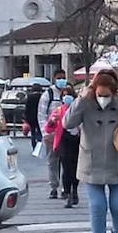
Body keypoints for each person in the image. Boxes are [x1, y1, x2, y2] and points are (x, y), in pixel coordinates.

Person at [63, 69, 118, 233]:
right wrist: (81, 101)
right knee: (98, 206)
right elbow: (67, 123)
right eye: (99, 94)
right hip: (92, 162)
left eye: (107, 95)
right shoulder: (85, 101)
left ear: (114, 91)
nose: (103, 99)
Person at [38, 70, 69, 198]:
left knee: (66, 162)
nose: (62, 80)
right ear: (54, 79)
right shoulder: (48, 94)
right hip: (52, 134)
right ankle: (54, 187)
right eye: (59, 78)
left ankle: (65, 187)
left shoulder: (68, 94)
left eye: (63, 78)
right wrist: (45, 133)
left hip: (67, 134)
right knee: (52, 161)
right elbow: (41, 114)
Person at [56, 87, 81, 207]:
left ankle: (74, 191)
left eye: (69, 95)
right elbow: (49, 126)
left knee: (76, 168)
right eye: (64, 96)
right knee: (66, 169)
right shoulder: (59, 110)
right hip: (64, 140)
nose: (67, 98)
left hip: (77, 141)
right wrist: (52, 122)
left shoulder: (79, 109)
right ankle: (67, 192)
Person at [22, 83, 45, 152]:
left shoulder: (30, 97)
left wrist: (25, 117)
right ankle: (39, 145)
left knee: (33, 132)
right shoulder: (42, 96)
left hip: (31, 117)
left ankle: (34, 146)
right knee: (40, 131)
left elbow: (27, 108)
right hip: (40, 116)